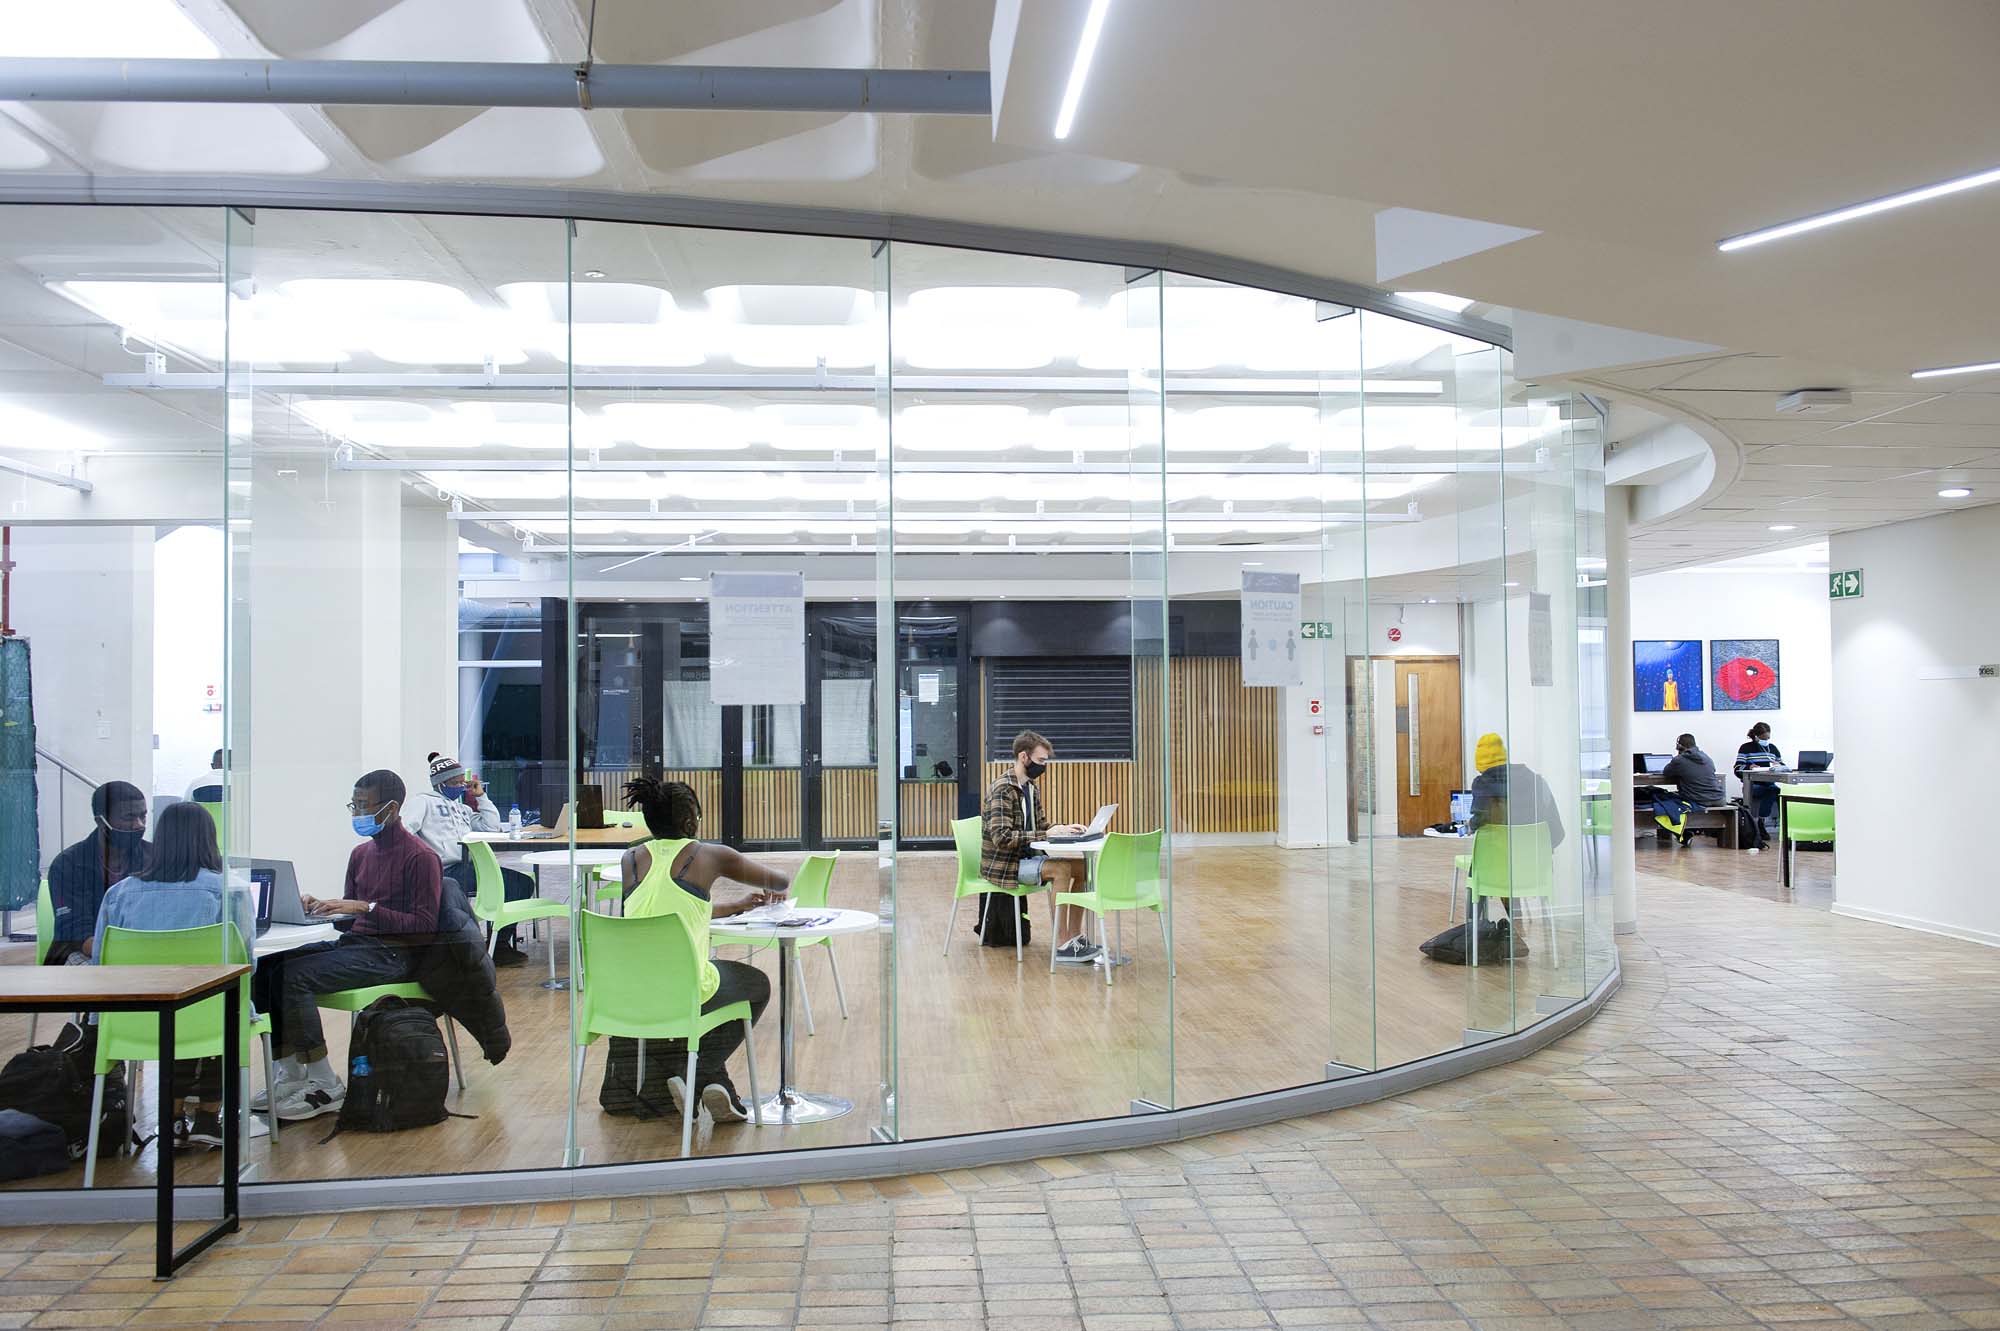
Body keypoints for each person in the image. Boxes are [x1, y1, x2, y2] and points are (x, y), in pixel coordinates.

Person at [260, 769, 445, 1121]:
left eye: (364, 805)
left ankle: (325, 1082)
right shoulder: (361, 854)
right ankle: (291, 1075)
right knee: (268, 968)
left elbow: (425, 927)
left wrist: (366, 907)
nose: (358, 813)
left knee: (294, 977)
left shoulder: (421, 857)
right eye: (354, 805)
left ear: (390, 809)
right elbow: (349, 918)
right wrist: (321, 907)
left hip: (395, 956)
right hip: (356, 944)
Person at [616, 776, 780, 1148]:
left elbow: (669, 912)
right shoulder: (705, 854)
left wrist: (732, 907)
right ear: (693, 821)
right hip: (683, 987)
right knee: (756, 985)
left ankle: (717, 1090)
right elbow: (779, 879)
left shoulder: (630, 859)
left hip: (631, 990)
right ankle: (696, 1071)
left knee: (705, 993)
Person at [91, 802, 253, 1149]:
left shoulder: (118, 894)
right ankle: (209, 1117)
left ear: (159, 839)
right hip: (209, 1019)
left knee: (179, 1011)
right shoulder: (229, 890)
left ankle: (173, 1119)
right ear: (210, 841)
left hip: (135, 1020)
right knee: (223, 1003)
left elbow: (100, 967)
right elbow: (244, 961)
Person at [403, 752, 535, 966]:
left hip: (468, 866)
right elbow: (405, 831)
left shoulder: (462, 808)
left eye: (461, 782)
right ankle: (498, 946)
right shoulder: (423, 802)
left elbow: (490, 826)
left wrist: (481, 797)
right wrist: (424, 860)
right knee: (511, 884)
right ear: (440, 783)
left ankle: (498, 941)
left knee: (521, 883)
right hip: (445, 869)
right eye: (454, 782)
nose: (459, 786)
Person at [980, 730, 1100, 964]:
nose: (1044, 766)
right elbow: (1001, 837)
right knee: (1061, 870)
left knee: (1083, 868)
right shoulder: (1003, 789)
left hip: (1026, 858)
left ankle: (1075, 936)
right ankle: (1062, 943)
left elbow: (1041, 824)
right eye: (1041, 761)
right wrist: (1046, 833)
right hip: (1006, 864)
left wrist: (1063, 827)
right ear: (1024, 757)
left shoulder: (1030, 788)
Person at [45, 781, 150, 965]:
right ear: (101, 821)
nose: (139, 825)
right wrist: (119, 955)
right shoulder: (68, 864)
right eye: (129, 818)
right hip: (84, 952)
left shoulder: (153, 858)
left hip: (143, 954)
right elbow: (75, 931)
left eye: (143, 816)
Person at [1651, 732, 1725, 846]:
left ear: (1679, 746)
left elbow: (1666, 772)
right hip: (1719, 799)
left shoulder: (1679, 760)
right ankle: (1682, 833)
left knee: (1663, 800)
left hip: (1698, 799)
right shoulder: (1706, 757)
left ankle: (1682, 833)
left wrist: (1678, 756)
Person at [1735, 722, 1784, 832]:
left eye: (1768, 738)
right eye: (1763, 738)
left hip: (1770, 783)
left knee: (1777, 790)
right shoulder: (1746, 748)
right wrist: (1749, 766)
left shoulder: (1772, 748)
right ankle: (1761, 822)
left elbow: (1783, 766)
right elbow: (1737, 768)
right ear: (1756, 737)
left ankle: (1783, 825)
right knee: (1772, 791)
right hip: (1753, 785)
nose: (1766, 740)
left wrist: (1779, 765)